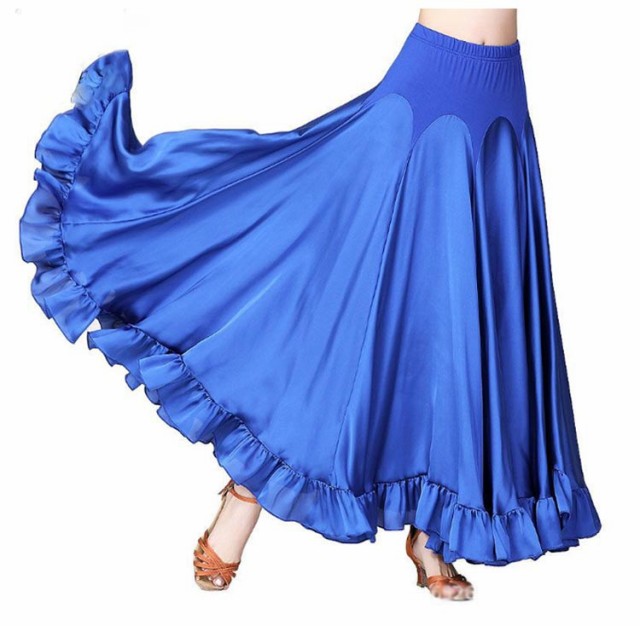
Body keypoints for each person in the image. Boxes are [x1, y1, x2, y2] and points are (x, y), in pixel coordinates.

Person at [18, 8, 602, 602]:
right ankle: (247, 492)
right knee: (341, 305)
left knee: (468, 313)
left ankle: (434, 530)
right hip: (424, 99)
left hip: (502, 104)